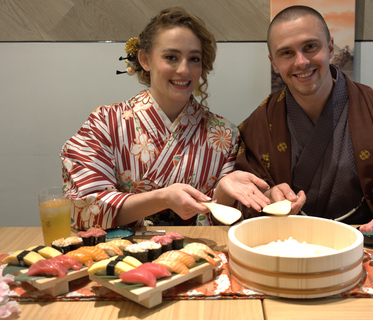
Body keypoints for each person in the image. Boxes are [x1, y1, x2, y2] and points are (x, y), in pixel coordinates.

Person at [234, 5, 373, 233]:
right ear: (274, 63)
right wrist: (266, 197)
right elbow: (236, 194)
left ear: (330, 48)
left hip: (366, 244)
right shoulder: (260, 123)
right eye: (287, 53)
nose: (301, 62)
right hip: (287, 245)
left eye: (310, 47)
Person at [61, 7, 269, 230]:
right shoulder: (105, 123)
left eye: (194, 59)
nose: (184, 69)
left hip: (196, 252)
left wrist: (224, 192)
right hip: (122, 257)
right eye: (171, 57)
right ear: (145, 59)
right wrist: (162, 198)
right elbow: (84, 206)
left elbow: (224, 220)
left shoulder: (225, 134)